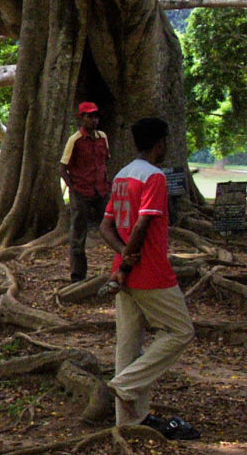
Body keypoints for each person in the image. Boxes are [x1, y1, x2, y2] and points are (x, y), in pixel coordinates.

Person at [99, 117, 196, 431]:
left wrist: (122, 255)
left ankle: (129, 420)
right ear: (160, 143)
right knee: (181, 331)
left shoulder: (122, 175)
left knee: (128, 344)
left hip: (124, 271)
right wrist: (129, 260)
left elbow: (106, 226)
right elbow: (143, 224)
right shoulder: (154, 177)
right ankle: (125, 384)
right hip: (149, 272)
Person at [60, 101, 110, 283]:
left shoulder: (103, 137)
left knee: (113, 226)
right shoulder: (75, 140)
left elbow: (105, 161)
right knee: (78, 234)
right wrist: (74, 189)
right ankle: (78, 276)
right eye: (89, 116)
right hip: (81, 192)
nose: (94, 120)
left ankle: (121, 268)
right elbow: (63, 168)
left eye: (96, 116)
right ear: (81, 118)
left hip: (101, 190)